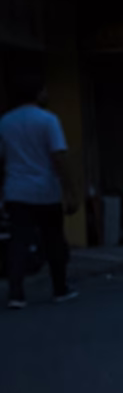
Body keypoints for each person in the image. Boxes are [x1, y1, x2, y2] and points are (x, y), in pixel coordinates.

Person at [0, 74, 79, 308]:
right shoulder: (48, 120)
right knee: (53, 239)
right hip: (46, 191)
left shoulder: (5, 122)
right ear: (37, 93)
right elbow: (59, 157)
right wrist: (70, 191)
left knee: (18, 242)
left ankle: (16, 293)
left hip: (16, 190)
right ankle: (60, 288)